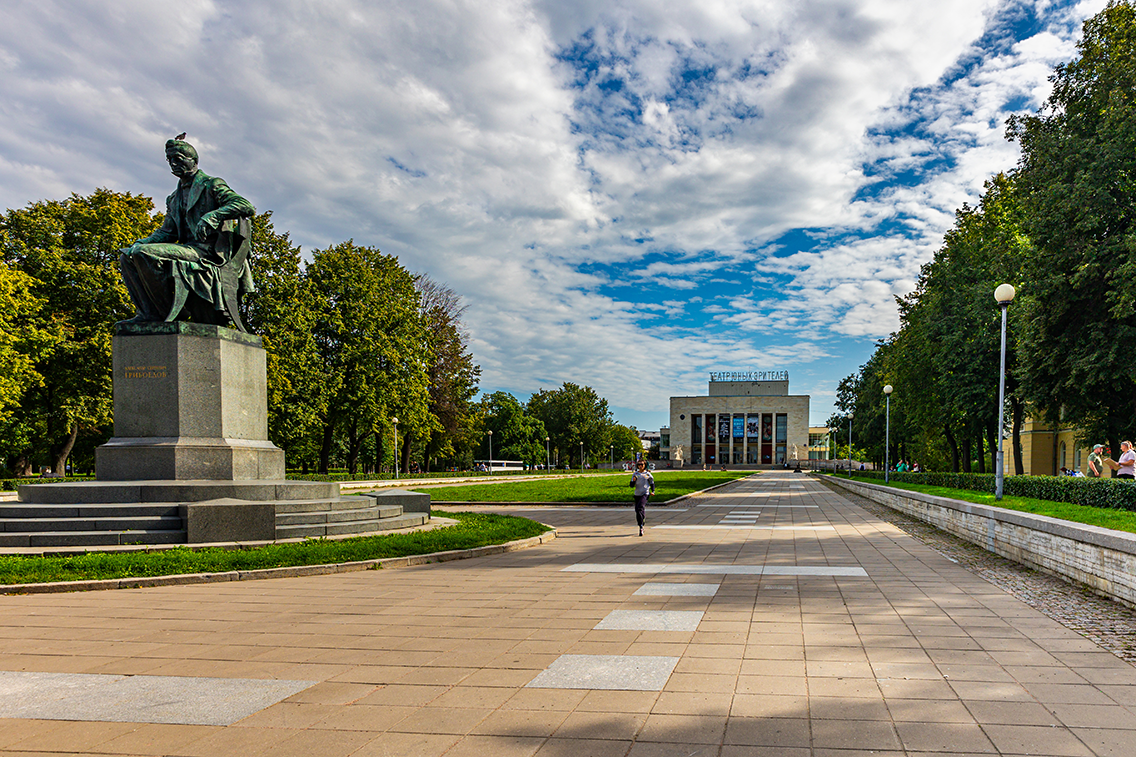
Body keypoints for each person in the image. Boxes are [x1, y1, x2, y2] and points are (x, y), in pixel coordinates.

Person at [119, 137, 255, 326]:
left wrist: (213, 216)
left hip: (207, 252)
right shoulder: (173, 198)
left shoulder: (211, 184)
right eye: (170, 160)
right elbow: (167, 232)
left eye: (178, 158)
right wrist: (142, 241)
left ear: (193, 160)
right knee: (128, 255)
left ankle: (174, 312)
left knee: (142, 254)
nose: (174, 164)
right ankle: (151, 313)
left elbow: (245, 205)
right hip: (188, 249)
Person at [630, 460, 655, 536]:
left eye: (642, 464)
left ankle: (641, 526)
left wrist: (653, 491)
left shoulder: (647, 474)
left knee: (640, 507)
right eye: (639, 464)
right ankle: (641, 520)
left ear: (645, 465)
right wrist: (633, 481)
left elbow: (652, 483)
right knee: (637, 510)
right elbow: (631, 485)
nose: (640, 466)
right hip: (637, 494)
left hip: (645, 493)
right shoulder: (635, 474)